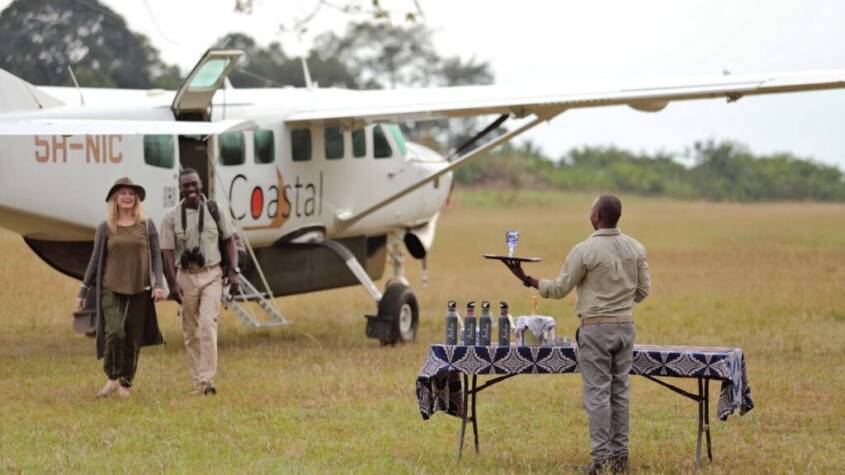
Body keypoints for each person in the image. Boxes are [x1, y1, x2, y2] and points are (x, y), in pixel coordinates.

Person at [505, 195, 651, 474]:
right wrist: (619, 297)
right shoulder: (636, 248)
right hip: (625, 327)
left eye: (591, 210)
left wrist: (526, 278)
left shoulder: (585, 250)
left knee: (597, 395)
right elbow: (643, 292)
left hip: (595, 329)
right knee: (619, 392)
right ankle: (620, 459)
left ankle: (599, 461)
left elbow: (559, 289)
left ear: (597, 217)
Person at [76, 177, 166, 398]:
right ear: (115, 199)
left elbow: (156, 257)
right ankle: (112, 378)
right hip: (110, 287)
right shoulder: (105, 228)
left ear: (136, 199)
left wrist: (159, 284)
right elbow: (95, 260)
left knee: (133, 337)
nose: (127, 197)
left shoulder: (147, 225)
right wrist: (83, 290)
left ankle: (126, 384)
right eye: (122, 193)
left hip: (140, 288)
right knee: (115, 332)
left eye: (131, 194)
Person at [160, 168, 239, 396]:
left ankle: (207, 380)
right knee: (191, 332)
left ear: (201, 183)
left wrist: (233, 272)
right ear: (180, 188)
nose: (191, 189)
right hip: (185, 276)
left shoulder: (216, 210)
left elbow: (230, 241)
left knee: (207, 325)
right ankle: (197, 381)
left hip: (212, 274)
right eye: (186, 186)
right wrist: (172, 283)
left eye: (195, 184)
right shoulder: (171, 217)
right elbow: (166, 252)